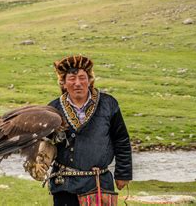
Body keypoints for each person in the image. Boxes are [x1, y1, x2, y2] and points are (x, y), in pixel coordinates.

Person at [46, 55, 132, 206]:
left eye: (82, 78)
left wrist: (123, 173)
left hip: (99, 183)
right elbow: (46, 143)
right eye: (72, 79)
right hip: (65, 185)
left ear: (90, 80)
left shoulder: (108, 104)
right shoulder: (53, 109)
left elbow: (121, 139)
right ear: (64, 83)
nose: (77, 83)